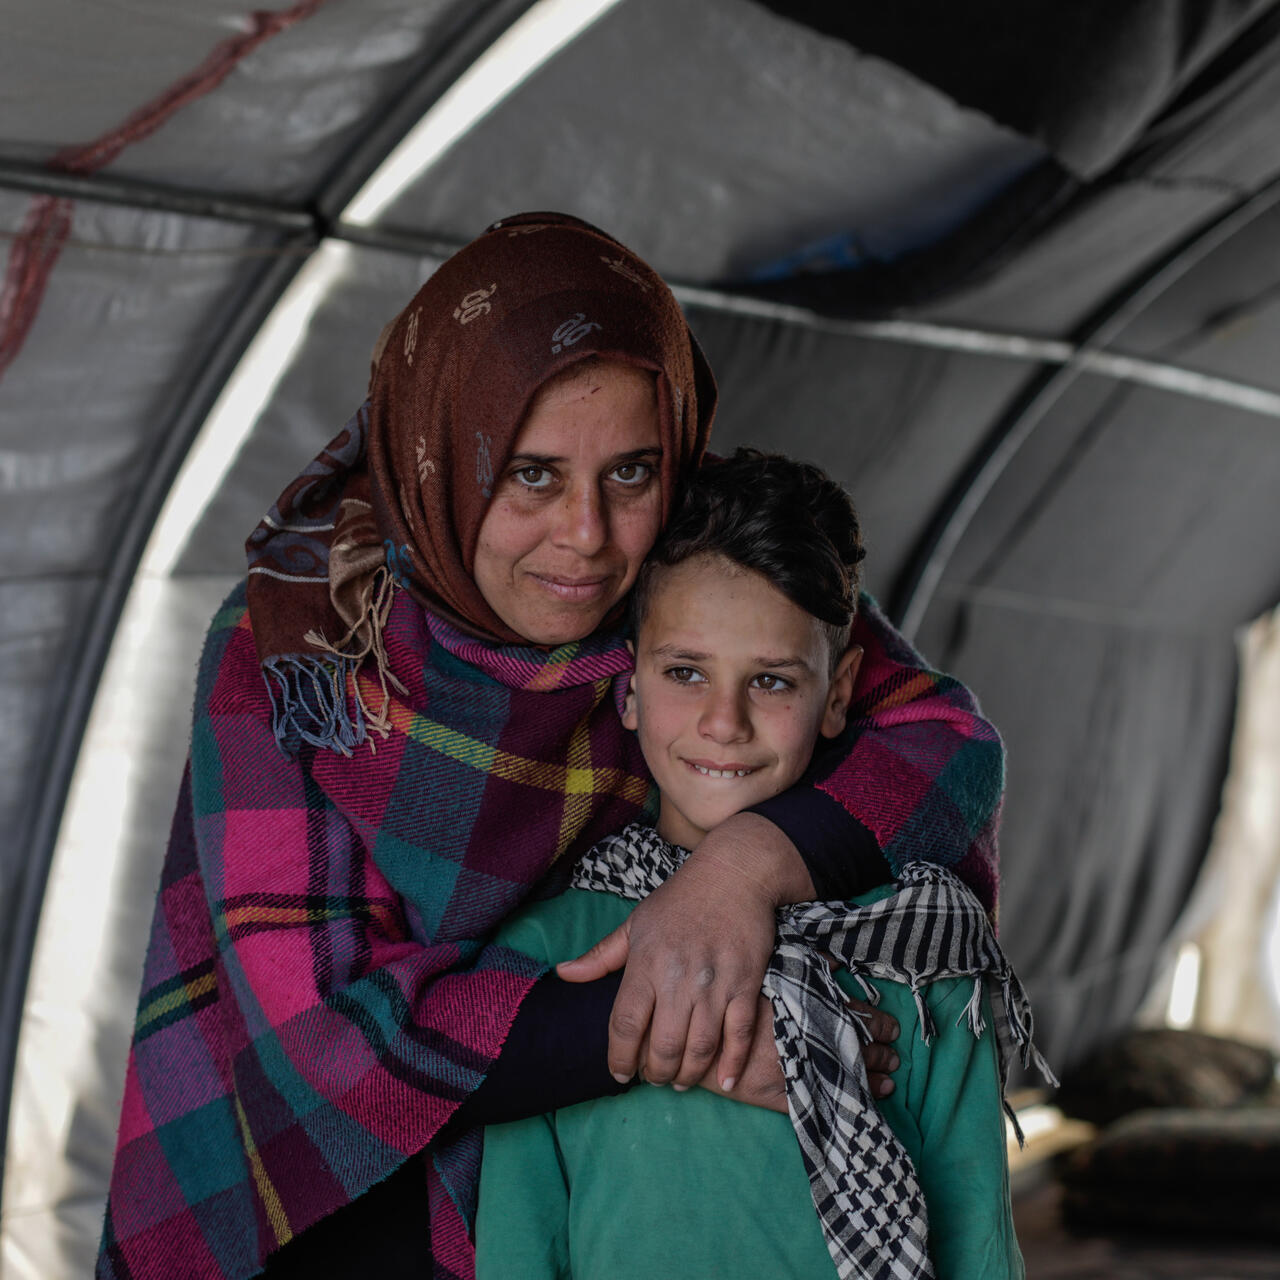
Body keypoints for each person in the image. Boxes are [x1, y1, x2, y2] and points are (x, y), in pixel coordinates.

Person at [96, 214, 1005, 1280]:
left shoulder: (685, 574)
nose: (585, 534)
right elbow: (325, 1049)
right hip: (325, 1216)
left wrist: (740, 873)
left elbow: (944, 744)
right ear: (442, 452)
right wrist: (684, 1024)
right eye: (529, 473)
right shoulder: (300, 648)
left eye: (631, 471)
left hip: (570, 1185)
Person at [476, 449, 1047, 1280]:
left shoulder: (921, 962)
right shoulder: (553, 952)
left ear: (838, 694)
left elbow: (979, 1245)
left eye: (772, 682)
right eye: (685, 672)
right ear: (628, 687)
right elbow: (518, 1248)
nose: (724, 723)